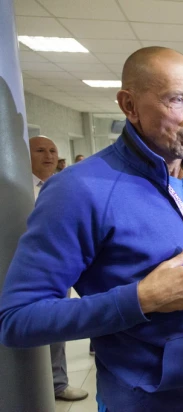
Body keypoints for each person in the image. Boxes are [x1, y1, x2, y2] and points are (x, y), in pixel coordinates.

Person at [0, 46, 183, 411]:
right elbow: (18, 320)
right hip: (147, 401)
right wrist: (140, 299)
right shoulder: (78, 189)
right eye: (177, 99)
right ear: (129, 106)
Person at [29, 136, 89, 401]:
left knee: (56, 327)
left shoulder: (62, 186)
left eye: (53, 150)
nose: (48, 155)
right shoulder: (12, 188)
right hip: (23, 268)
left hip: (58, 266)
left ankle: (57, 383)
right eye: (40, 150)